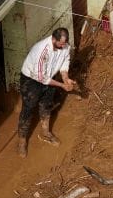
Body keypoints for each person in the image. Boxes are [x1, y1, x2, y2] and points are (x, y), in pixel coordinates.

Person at [17, 28, 75, 156]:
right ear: (54, 39)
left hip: (50, 78)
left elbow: (65, 62)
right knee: (28, 108)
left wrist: (65, 78)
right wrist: (62, 85)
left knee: (46, 105)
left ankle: (46, 132)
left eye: (64, 44)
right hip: (32, 80)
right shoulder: (42, 50)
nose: (63, 46)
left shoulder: (65, 46)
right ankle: (22, 141)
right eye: (60, 44)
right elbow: (42, 78)